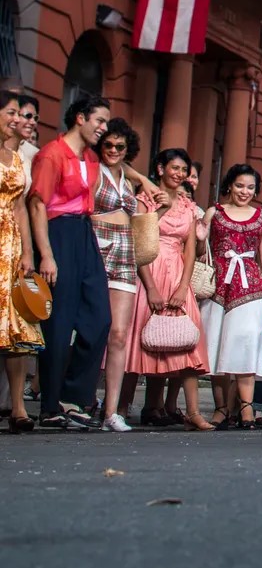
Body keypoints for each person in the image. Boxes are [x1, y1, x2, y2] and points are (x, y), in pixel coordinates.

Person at [28, 94, 112, 429]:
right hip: (58, 233)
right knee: (59, 324)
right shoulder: (52, 154)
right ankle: (50, 406)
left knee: (99, 318)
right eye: (100, 121)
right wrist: (46, 254)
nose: (103, 129)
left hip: (84, 234)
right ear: (80, 117)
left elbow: (125, 170)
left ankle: (73, 396)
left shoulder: (90, 157)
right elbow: (37, 205)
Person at [125, 147, 213, 431]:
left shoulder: (188, 205)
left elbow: (190, 250)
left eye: (183, 170)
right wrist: (150, 287)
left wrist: (183, 285)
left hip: (177, 271)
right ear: (160, 169)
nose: (179, 174)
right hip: (149, 268)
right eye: (174, 168)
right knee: (139, 338)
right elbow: (140, 243)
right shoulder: (144, 200)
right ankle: (121, 407)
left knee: (187, 341)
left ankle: (193, 411)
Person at [89, 118, 156, 432]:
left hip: (125, 250)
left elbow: (150, 205)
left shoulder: (127, 178)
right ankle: (81, 398)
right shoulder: (91, 169)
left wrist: (141, 177)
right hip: (96, 243)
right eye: (108, 145)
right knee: (90, 329)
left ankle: (111, 410)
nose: (113, 150)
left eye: (120, 146)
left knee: (118, 334)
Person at [201, 164, 262, 428]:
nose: (245, 191)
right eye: (240, 185)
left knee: (245, 343)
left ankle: (245, 408)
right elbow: (201, 248)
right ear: (229, 185)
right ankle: (220, 408)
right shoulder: (214, 213)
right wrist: (199, 236)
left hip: (251, 285)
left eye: (251, 187)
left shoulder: (261, 216)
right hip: (217, 285)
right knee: (216, 344)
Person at [0, 92, 43, 432]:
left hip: (11, 246)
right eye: (10, 112)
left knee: (16, 327)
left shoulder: (15, 160)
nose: (16, 118)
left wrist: (28, 251)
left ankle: (17, 408)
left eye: (18, 113)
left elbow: (19, 208)